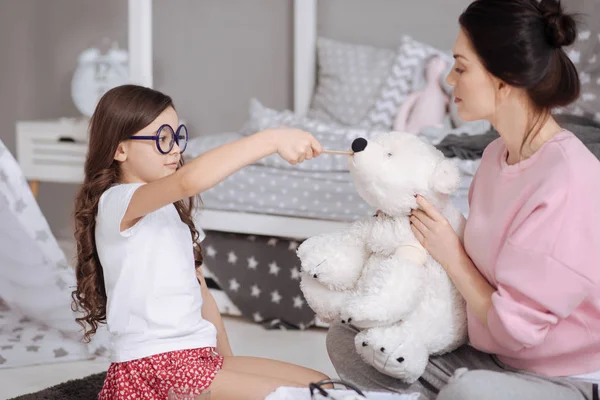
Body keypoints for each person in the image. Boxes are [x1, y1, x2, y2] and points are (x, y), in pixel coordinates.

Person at [326, 1, 600, 399]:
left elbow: (516, 329)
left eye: (461, 66)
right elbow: (490, 271)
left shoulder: (568, 182)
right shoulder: (495, 157)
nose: (451, 81)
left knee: (470, 392)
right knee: (348, 337)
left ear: (503, 81)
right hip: (495, 358)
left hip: (566, 378)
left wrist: (450, 252)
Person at [71, 84, 330, 399]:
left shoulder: (168, 212)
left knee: (322, 385)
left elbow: (201, 294)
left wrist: (230, 366)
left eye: (177, 137)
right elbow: (189, 180)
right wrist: (272, 138)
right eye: (161, 140)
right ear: (120, 150)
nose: (175, 149)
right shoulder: (115, 203)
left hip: (198, 358)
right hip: (154, 367)